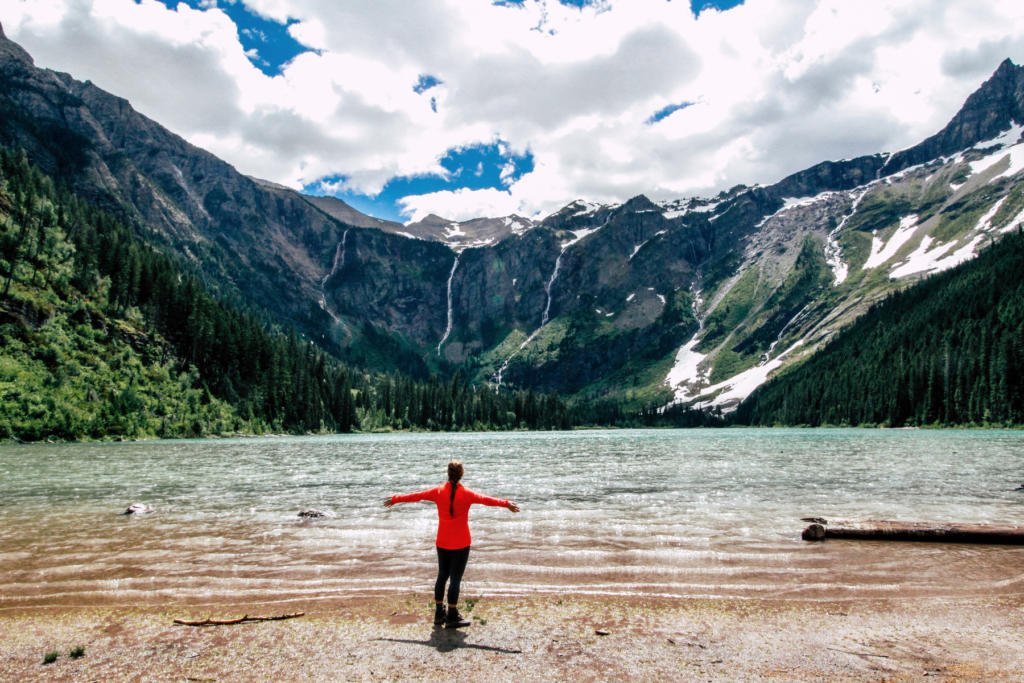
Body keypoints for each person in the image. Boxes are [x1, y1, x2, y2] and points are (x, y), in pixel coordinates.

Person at [384, 460, 519, 628]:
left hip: (443, 541)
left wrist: (396, 499)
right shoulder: (467, 493)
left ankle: (439, 613)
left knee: (442, 575)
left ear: (448, 473)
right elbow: (486, 500)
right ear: (461, 474)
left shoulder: (438, 491)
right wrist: (506, 504)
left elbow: (417, 496)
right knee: (455, 578)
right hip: (461, 542)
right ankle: (452, 615)